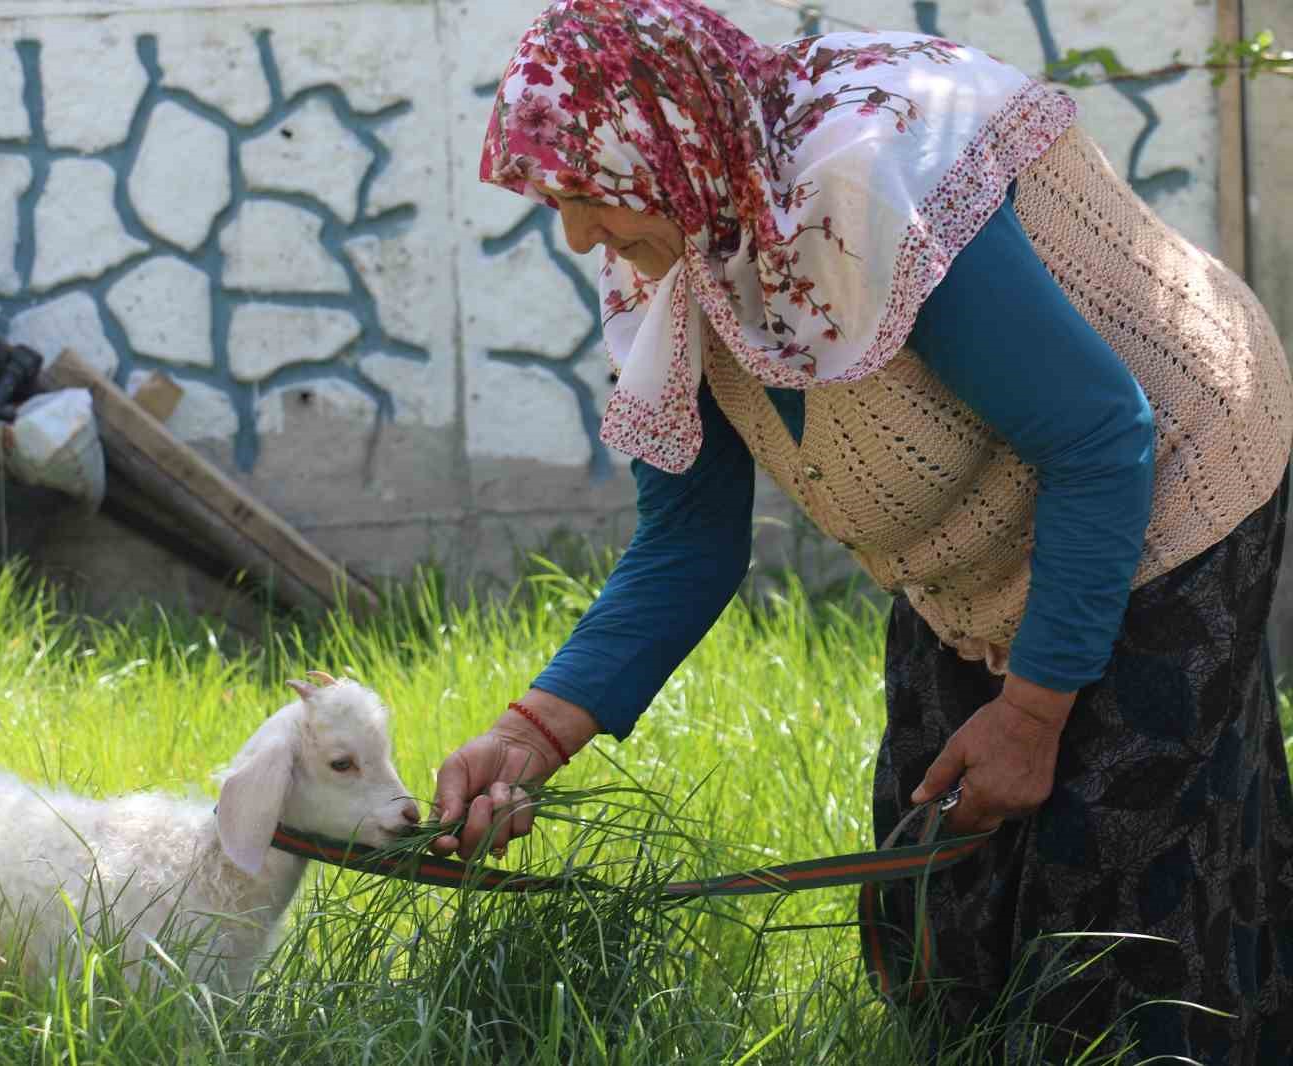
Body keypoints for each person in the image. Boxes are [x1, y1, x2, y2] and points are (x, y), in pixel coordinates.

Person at [427, 1, 1293, 1061]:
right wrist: (526, 738)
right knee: (936, 881)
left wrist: (1030, 710)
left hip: (1169, 476)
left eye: (585, 196)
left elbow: (1103, 438)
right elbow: (688, 543)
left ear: (669, 146)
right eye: (555, 200)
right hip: (974, 543)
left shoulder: (865, 187)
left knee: (1113, 893)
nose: (574, 235)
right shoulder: (669, 236)